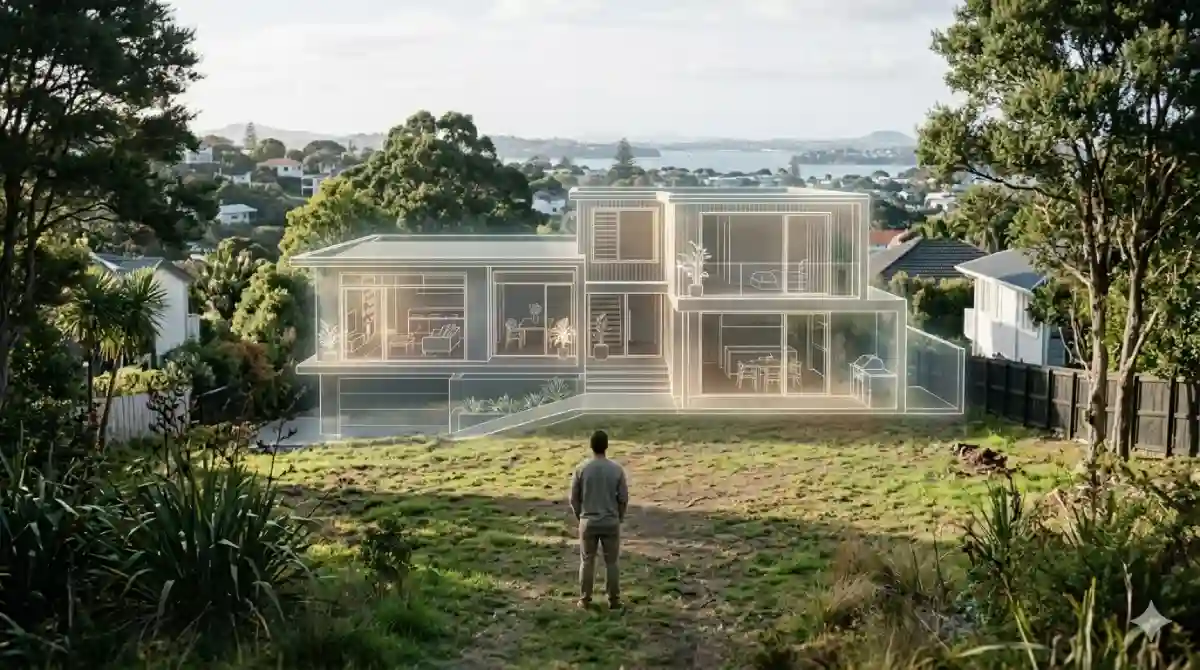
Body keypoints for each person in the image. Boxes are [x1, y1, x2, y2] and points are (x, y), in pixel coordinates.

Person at [569, 429, 629, 610]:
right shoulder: (617, 469)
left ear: (591, 446)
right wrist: (619, 517)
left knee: (587, 561)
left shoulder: (581, 469)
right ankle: (614, 600)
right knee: (612, 562)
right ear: (607, 446)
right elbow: (623, 498)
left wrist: (581, 516)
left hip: (588, 521)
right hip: (610, 521)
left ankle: (585, 600)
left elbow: (574, 498)